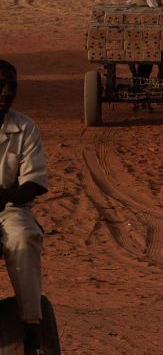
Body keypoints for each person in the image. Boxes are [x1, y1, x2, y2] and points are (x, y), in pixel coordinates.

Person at [0, 61, 51, 355]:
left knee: (23, 238)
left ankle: (32, 323)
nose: (7, 93)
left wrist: (5, 195)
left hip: (11, 206)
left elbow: (34, 182)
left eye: (12, 86)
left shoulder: (25, 127)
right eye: (0, 86)